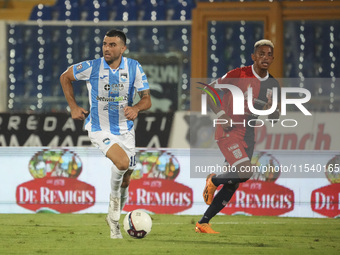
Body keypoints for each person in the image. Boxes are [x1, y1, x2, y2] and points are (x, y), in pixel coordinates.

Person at [60, 29, 151, 239]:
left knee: (127, 178)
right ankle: (113, 215)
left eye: (112, 45)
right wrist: (73, 106)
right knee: (121, 163)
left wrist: (136, 108)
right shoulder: (92, 66)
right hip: (99, 128)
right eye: (104, 44)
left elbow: (147, 99)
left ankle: (115, 216)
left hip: (126, 130)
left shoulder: (134, 67)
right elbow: (65, 77)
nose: (106, 48)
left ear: (122, 48)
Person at [195, 39, 280, 234]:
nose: (265, 58)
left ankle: (203, 223)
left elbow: (275, 118)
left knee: (233, 183)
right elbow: (209, 90)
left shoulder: (273, 84)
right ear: (253, 57)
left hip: (248, 135)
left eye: (269, 55)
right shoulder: (239, 74)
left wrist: (272, 109)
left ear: (273, 58)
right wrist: (220, 115)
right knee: (245, 172)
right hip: (229, 130)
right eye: (261, 54)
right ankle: (214, 180)